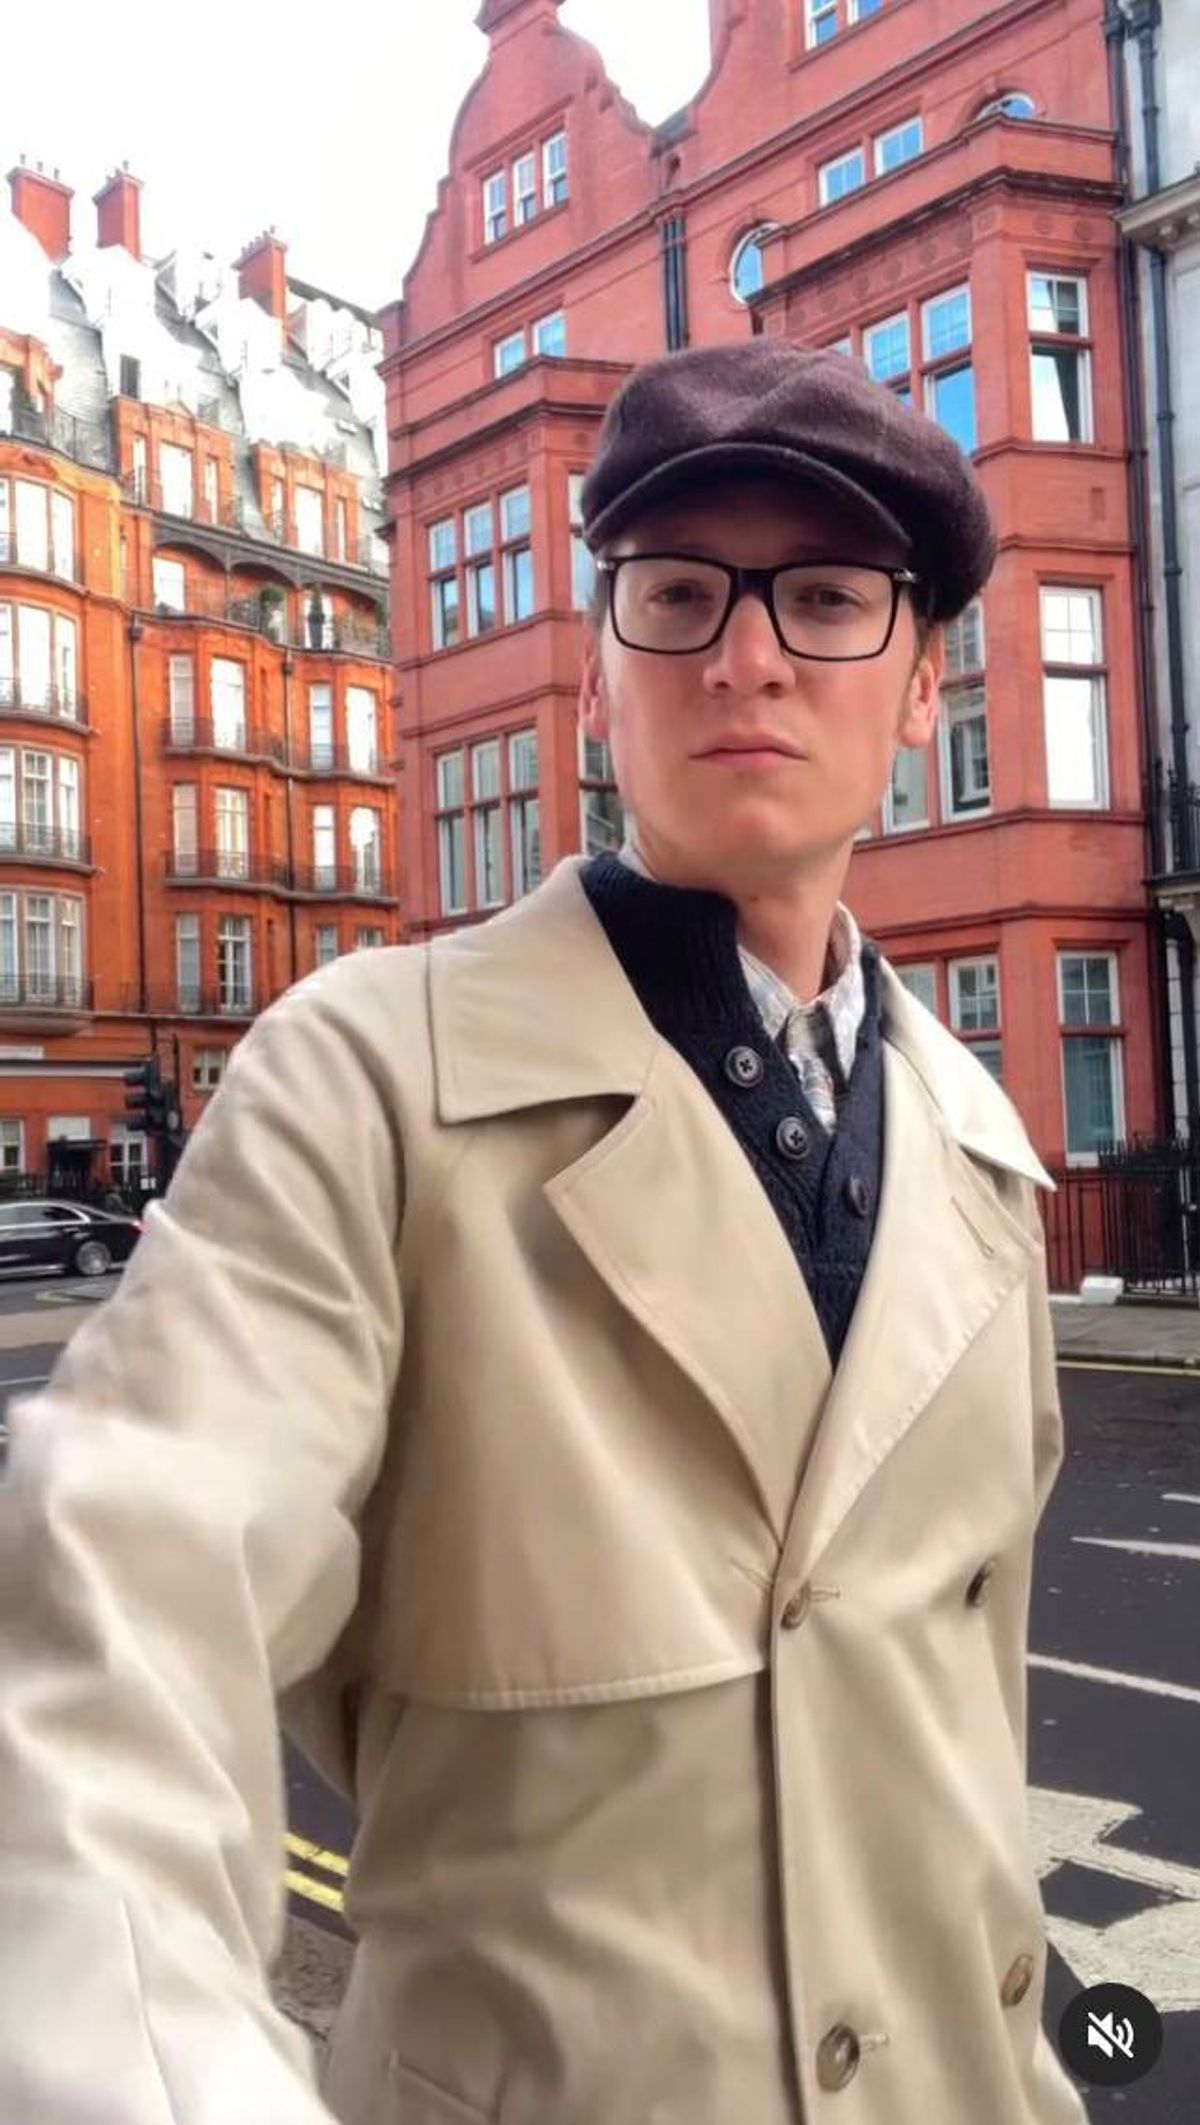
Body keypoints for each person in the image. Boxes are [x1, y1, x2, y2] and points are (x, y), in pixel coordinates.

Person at [0, 342, 1088, 2125]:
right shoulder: (364, 1080)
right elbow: (112, 1626)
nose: (745, 653)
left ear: (922, 684)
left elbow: (977, 1780)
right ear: (598, 680)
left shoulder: (983, 1151)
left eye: (824, 598)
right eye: (677, 597)